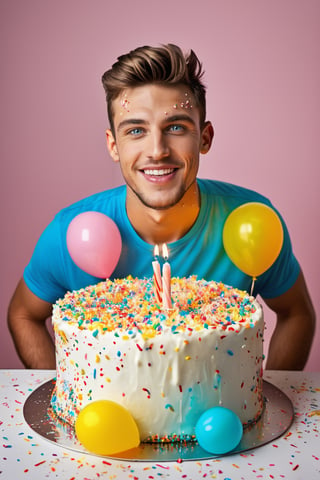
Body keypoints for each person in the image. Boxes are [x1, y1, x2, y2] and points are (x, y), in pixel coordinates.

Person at [8, 44, 315, 370]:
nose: (157, 150)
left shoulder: (252, 222)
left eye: (176, 128)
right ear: (114, 145)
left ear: (205, 138)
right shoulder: (70, 233)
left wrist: (268, 396)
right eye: (136, 130)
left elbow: (296, 312)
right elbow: (23, 313)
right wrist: (66, 393)